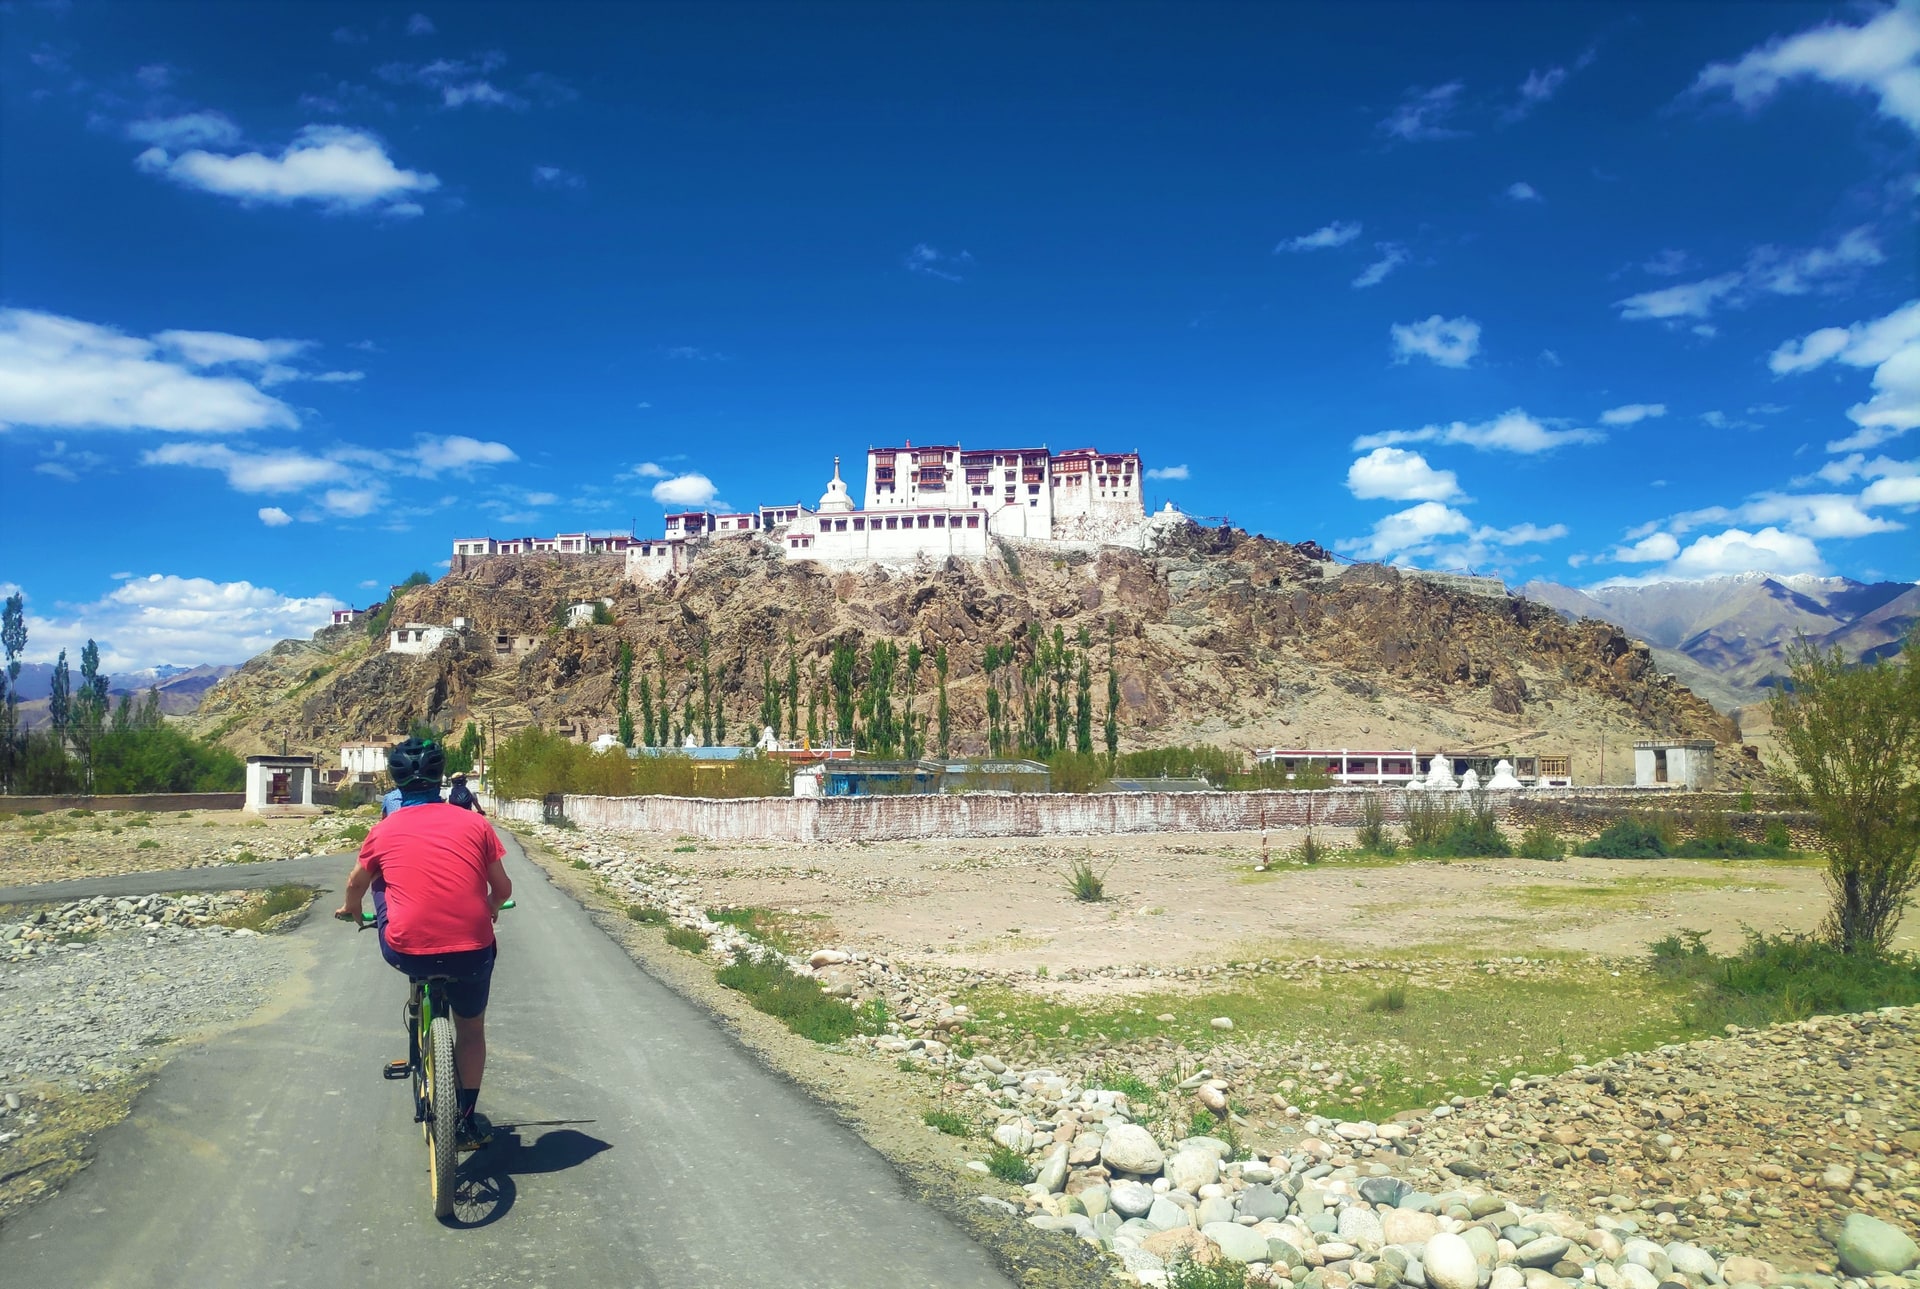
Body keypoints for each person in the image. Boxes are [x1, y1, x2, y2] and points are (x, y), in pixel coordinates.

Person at [336, 736, 511, 1149]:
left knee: (383, 880)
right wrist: (490, 906)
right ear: (441, 780)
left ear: (396, 781)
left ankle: (420, 1007)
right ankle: (466, 1120)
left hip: (404, 949)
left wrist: (350, 910)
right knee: (472, 1030)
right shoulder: (475, 824)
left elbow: (354, 884)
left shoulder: (383, 829)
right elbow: (501, 888)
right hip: (471, 952)